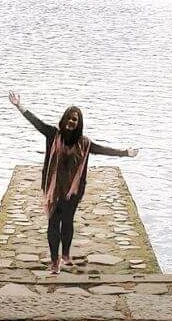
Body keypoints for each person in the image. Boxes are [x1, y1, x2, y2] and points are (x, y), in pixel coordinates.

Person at [8, 90, 139, 275]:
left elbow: (103, 150)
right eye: (68, 119)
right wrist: (19, 106)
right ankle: (55, 262)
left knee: (67, 222)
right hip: (53, 189)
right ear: (63, 120)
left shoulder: (84, 143)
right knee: (53, 223)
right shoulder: (53, 135)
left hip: (73, 191)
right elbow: (36, 123)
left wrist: (125, 153)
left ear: (79, 124)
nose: (71, 122)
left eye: (74, 120)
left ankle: (66, 255)